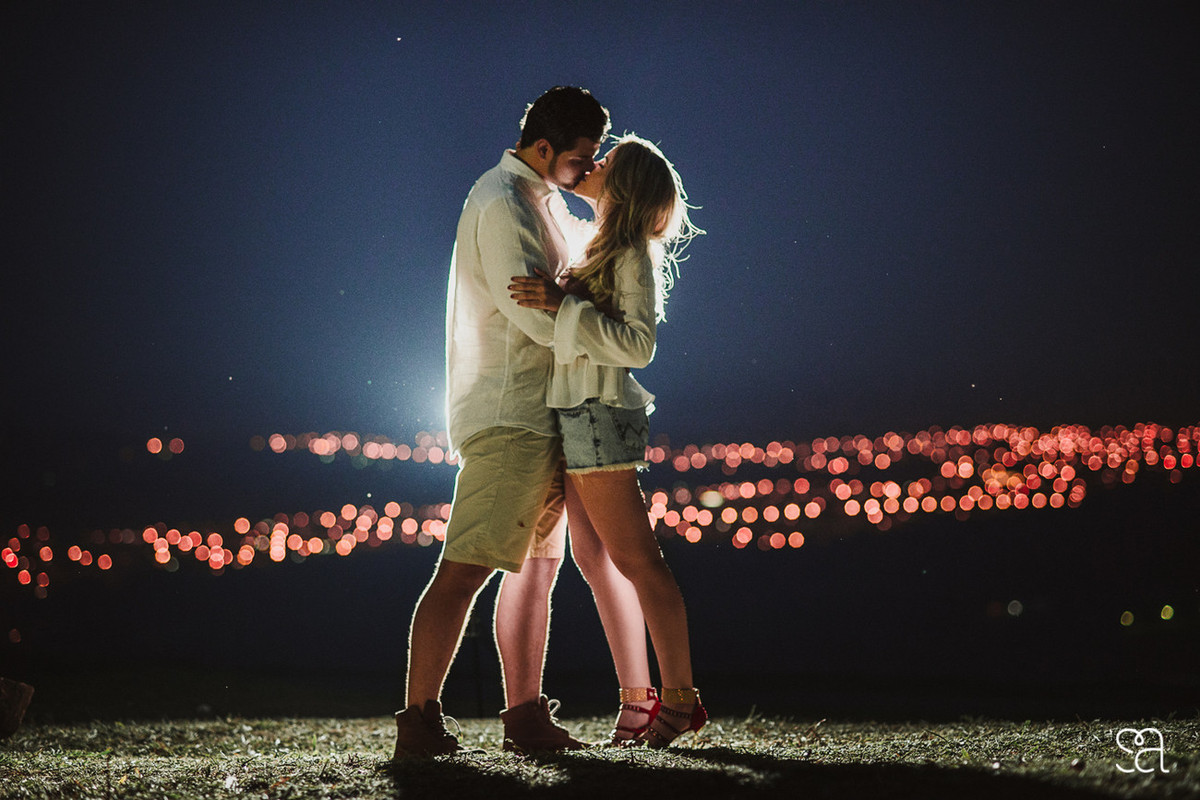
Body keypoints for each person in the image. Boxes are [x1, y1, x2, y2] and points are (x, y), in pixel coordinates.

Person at [393, 86, 609, 758]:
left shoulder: (544, 200)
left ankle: (524, 716)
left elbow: (580, 279)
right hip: (511, 411)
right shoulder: (503, 201)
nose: (587, 170)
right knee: (464, 568)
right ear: (543, 147)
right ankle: (418, 721)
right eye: (580, 159)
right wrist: (578, 304)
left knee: (535, 572)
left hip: (543, 410)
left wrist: (576, 280)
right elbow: (532, 313)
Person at [509, 134, 705, 747]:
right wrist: (565, 301)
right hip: (577, 414)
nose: (594, 164)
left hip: (599, 415)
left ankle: (680, 700)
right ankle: (637, 702)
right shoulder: (602, 245)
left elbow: (639, 346)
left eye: (608, 161)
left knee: (639, 561)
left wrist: (562, 306)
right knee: (594, 559)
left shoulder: (632, 254)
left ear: (625, 187)